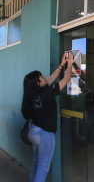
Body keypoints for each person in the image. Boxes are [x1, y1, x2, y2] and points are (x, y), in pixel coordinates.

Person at [21, 52, 74, 182]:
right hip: (45, 135)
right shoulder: (46, 93)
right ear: (38, 83)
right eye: (41, 77)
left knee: (36, 164)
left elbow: (50, 79)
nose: (45, 77)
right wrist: (70, 64)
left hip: (33, 132)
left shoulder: (33, 95)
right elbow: (66, 80)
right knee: (43, 168)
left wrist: (62, 65)